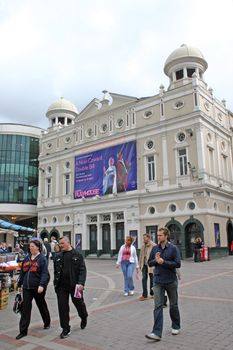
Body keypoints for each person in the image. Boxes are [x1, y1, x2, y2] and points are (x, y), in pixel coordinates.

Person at [145, 227, 181, 342]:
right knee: (158, 306)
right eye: (158, 235)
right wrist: (156, 261)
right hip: (158, 281)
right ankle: (156, 333)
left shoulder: (173, 248)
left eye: (160, 235)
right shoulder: (155, 248)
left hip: (171, 281)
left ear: (166, 236)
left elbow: (177, 264)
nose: (158, 237)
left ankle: (176, 325)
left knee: (173, 305)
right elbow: (149, 263)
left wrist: (163, 262)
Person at [53, 236, 88, 339]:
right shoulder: (58, 256)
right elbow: (56, 271)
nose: (60, 245)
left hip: (75, 286)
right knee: (62, 308)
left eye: (62, 243)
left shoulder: (77, 255)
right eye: (60, 244)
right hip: (61, 287)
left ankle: (84, 316)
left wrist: (81, 283)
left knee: (79, 303)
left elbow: (82, 270)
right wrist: (55, 284)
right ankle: (65, 328)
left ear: (68, 243)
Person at [16, 239, 51, 340]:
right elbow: (22, 273)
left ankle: (47, 322)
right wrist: (19, 284)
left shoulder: (42, 259)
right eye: (30, 246)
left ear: (38, 247)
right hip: (27, 288)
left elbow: (45, 273)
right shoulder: (26, 258)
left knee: (41, 305)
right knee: (25, 308)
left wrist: (42, 285)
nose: (30, 248)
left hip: (38, 288)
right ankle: (23, 331)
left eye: (32, 246)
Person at [138, 234, 156, 300]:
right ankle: (144, 295)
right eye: (143, 238)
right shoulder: (143, 246)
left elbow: (155, 256)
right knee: (144, 279)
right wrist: (140, 264)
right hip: (144, 265)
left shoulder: (153, 245)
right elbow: (141, 255)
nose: (144, 239)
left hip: (151, 265)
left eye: (145, 238)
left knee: (152, 280)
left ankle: (153, 293)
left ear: (149, 238)